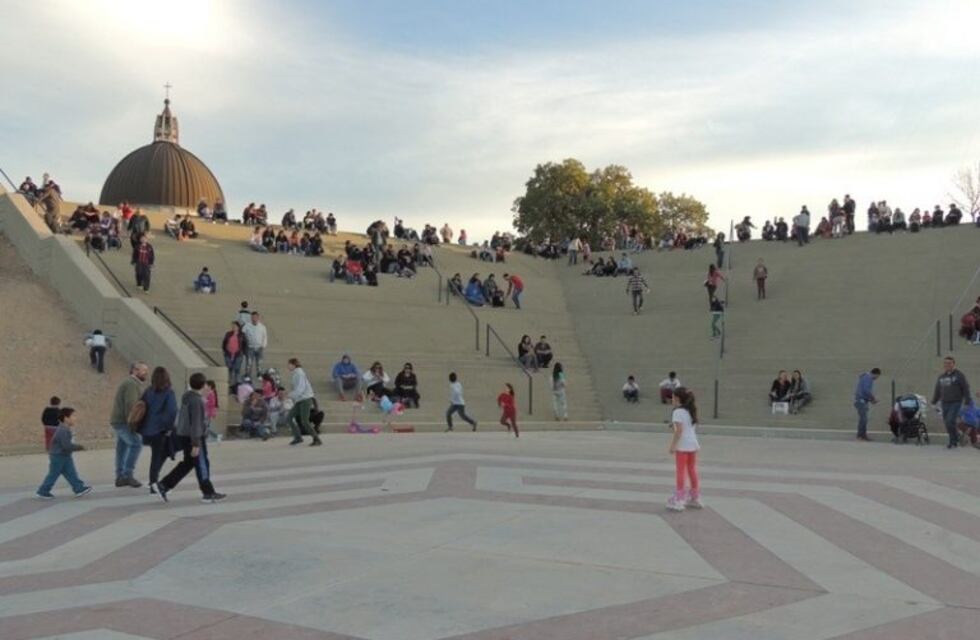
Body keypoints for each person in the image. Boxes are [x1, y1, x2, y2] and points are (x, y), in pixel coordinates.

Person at [153, 373, 226, 503]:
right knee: (202, 464)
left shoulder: (187, 397)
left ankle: (164, 485)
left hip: (185, 435)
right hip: (195, 438)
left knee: (188, 463)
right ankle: (208, 492)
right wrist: (196, 443)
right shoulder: (197, 401)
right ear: (203, 385)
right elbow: (196, 423)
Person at [36, 407, 92, 499]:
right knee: (53, 474)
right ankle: (43, 491)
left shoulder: (65, 429)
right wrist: (79, 447)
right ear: (66, 418)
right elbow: (66, 446)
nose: (75, 418)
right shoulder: (63, 430)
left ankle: (79, 488)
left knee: (71, 473)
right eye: (73, 416)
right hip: (58, 456)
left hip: (64, 455)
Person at [110, 362, 148, 488]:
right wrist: (134, 424)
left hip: (119, 420)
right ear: (135, 370)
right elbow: (131, 406)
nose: (146, 373)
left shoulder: (130, 383)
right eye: (143, 370)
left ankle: (120, 476)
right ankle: (127, 475)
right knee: (136, 444)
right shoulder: (131, 384)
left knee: (122, 449)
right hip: (124, 422)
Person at [141, 367, 178, 491]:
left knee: (157, 456)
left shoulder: (148, 391)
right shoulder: (169, 393)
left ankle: (153, 481)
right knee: (158, 457)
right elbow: (172, 411)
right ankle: (153, 483)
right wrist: (168, 428)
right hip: (160, 430)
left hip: (147, 430)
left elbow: (142, 406)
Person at [666, 387, 702, 512]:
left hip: (682, 445)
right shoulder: (690, 410)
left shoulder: (677, 412)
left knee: (680, 471)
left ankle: (679, 500)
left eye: (672, 397)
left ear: (677, 398)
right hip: (693, 444)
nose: (671, 399)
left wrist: (672, 446)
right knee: (692, 470)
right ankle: (695, 497)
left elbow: (679, 431)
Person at [932, 356, 972, 449]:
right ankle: (956, 437)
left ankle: (953, 440)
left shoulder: (959, 375)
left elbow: (965, 388)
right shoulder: (941, 377)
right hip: (944, 402)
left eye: (949, 363)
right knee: (947, 423)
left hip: (956, 402)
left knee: (950, 420)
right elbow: (937, 390)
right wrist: (934, 401)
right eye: (945, 363)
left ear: (954, 364)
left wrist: (967, 401)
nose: (947, 365)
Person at [287, 358, 320, 446]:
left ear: (294, 365)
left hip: (305, 399)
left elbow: (300, 389)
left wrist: (290, 395)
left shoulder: (299, 373)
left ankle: (316, 438)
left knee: (305, 421)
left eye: (289, 364)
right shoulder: (295, 374)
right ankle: (298, 437)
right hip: (299, 400)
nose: (288, 366)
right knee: (289, 417)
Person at [854, 367, 881, 441]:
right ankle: (860, 436)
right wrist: (873, 398)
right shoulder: (868, 378)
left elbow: (864, 391)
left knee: (864, 419)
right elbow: (866, 390)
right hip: (860, 401)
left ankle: (863, 435)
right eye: (877, 376)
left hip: (862, 400)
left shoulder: (865, 377)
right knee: (863, 419)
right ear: (876, 374)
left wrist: (870, 400)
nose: (877, 378)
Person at [243, 312, 268, 381]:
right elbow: (243, 333)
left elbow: (265, 337)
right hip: (250, 347)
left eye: (255, 317)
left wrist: (263, 345)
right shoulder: (247, 326)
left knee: (259, 362)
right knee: (249, 362)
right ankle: (247, 375)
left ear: (258, 318)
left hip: (259, 347)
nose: (254, 319)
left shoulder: (262, 327)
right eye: (252, 317)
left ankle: (259, 374)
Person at [221, 322, 247, 387]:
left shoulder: (242, 335)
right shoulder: (228, 334)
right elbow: (224, 343)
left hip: (238, 354)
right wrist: (225, 351)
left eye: (235, 326)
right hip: (228, 354)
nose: (233, 327)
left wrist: (243, 352)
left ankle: (236, 384)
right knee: (229, 369)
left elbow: (245, 344)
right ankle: (229, 383)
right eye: (232, 326)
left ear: (238, 327)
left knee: (237, 370)